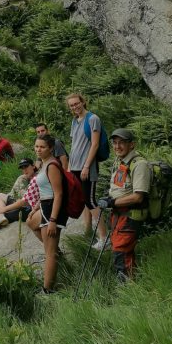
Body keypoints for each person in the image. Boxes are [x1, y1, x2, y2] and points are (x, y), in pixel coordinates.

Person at [97, 128, 152, 281]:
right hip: (119, 214)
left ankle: (126, 288)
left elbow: (138, 197)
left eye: (122, 143)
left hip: (131, 214)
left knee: (120, 250)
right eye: (115, 143)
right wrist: (109, 197)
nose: (117, 146)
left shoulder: (139, 164)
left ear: (132, 145)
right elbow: (120, 187)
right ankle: (129, 285)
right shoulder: (121, 161)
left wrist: (112, 202)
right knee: (121, 249)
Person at [27, 133, 67, 293]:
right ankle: (56, 253)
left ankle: (47, 290)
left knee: (49, 253)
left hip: (52, 208)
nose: (38, 149)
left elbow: (59, 194)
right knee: (31, 222)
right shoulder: (44, 164)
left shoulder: (52, 165)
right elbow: (46, 188)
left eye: (42, 147)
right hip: (44, 204)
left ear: (51, 148)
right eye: (36, 146)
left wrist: (52, 220)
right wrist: (36, 206)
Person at [66, 92, 107, 247]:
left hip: (86, 167)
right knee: (84, 200)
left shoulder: (92, 119)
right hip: (75, 166)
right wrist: (70, 167)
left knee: (90, 201)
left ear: (83, 102)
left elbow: (95, 145)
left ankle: (104, 238)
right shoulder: (75, 121)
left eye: (77, 103)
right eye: (72, 105)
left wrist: (86, 166)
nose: (75, 107)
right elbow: (74, 144)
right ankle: (88, 230)